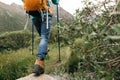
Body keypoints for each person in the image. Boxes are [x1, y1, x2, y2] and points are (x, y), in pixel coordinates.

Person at [22, 0, 59, 75]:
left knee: (42, 37)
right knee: (44, 37)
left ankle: (45, 49)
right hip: (45, 13)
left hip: (34, 16)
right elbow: (55, 2)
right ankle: (39, 62)